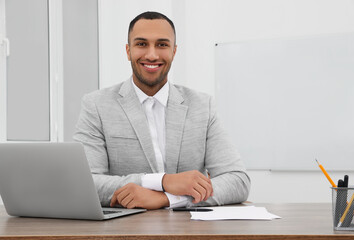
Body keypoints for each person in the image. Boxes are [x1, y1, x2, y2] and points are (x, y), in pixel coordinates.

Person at [74, 11, 250, 210]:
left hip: (189, 231)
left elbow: (238, 181)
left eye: (162, 45)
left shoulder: (202, 106)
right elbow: (86, 183)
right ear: (128, 51)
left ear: (174, 51)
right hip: (124, 231)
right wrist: (162, 181)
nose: (152, 54)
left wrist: (168, 199)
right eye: (141, 44)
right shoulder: (96, 105)